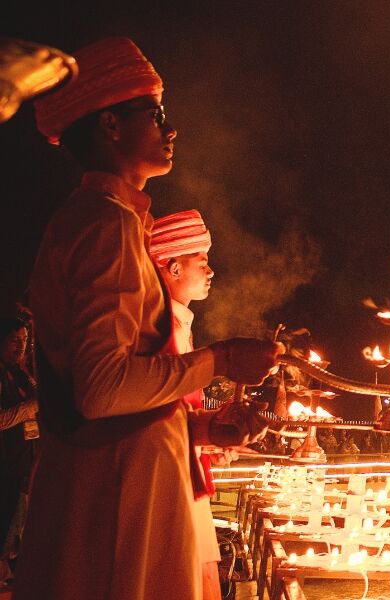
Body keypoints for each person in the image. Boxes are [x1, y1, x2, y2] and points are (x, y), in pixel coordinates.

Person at [16, 38, 280, 600]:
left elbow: (113, 398)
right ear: (110, 124)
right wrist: (223, 359)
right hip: (116, 499)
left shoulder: (112, 221)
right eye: (156, 114)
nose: (170, 129)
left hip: (121, 485)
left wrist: (202, 428)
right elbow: (101, 389)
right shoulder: (103, 224)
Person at [148, 210, 224, 599]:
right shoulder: (161, 328)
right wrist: (207, 431)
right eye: (203, 261)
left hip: (183, 470)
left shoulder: (178, 323)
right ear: (174, 266)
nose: (211, 271)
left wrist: (211, 437)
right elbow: (159, 412)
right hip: (172, 482)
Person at [0, 317, 37, 580]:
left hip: (26, 464)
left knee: (19, 529)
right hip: (6, 466)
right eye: (15, 340)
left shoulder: (22, 374)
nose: (21, 347)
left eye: (25, 341)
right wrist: (32, 407)